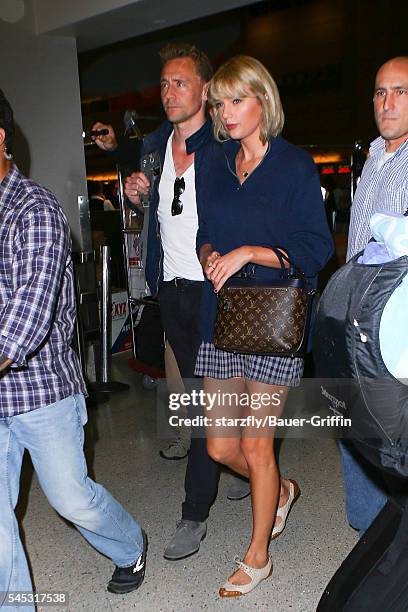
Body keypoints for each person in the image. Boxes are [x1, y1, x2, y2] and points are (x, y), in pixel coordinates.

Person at [94, 43, 250, 561]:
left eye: (179, 82)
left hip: (217, 293)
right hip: (173, 290)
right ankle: (248, 464)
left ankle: (194, 512)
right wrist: (137, 193)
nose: (168, 92)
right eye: (163, 83)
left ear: (206, 89)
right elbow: (152, 207)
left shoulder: (225, 144)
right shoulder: (156, 144)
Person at [0, 89, 147, 607]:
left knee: (72, 500)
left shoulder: (34, 210)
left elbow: (29, 313)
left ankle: (130, 546)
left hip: (41, 390)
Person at [195, 55, 333, 597]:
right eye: (220, 103)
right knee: (219, 447)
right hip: (222, 318)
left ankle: (258, 557)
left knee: (256, 447)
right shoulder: (214, 164)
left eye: (237, 100)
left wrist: (253, 251)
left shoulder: (295, 166)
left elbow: (317, 248)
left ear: (263, 101)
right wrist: (209, 254)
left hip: (274, 321)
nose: (227, 113)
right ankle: (279, 493)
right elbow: (205, 230)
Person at [341, 56, 408, 535]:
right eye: (380, 92)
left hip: (395, 324)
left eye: (400, 92)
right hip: (358, 316)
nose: (387, 103)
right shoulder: (374, 156)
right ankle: (371, 532)